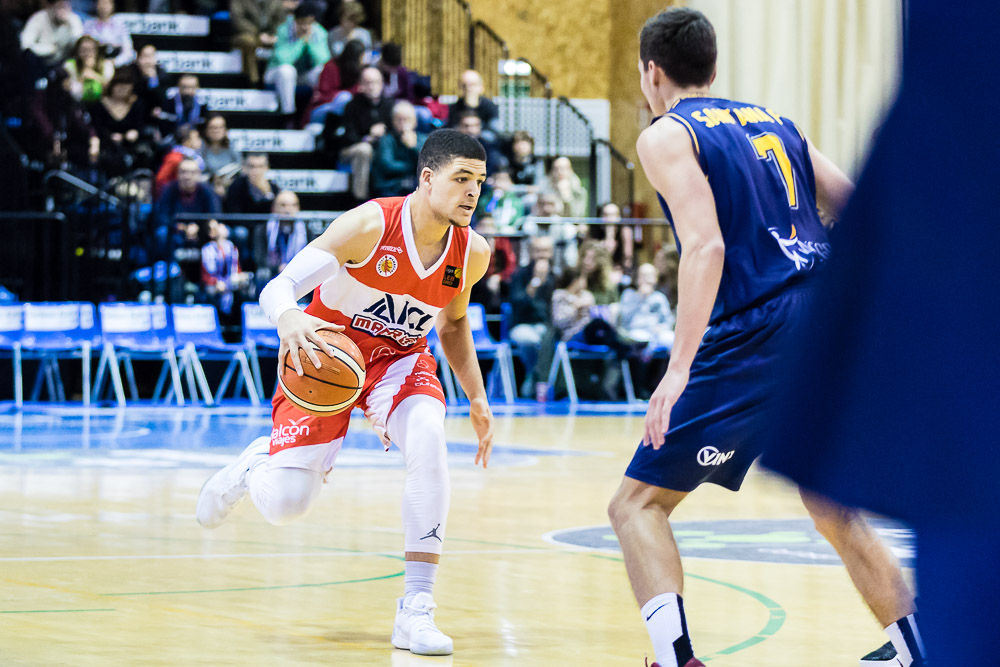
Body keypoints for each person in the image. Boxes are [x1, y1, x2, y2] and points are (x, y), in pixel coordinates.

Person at [605, 9, 925, 667]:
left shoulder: (667, 134)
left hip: (755, 328)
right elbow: (859, 205)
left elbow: (706, 247)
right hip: (822, 316)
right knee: (831, 501)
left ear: (651, 72)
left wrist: (676, 370)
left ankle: (675, 659)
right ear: (715, 68)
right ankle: (921, 649)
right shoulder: (775, 121)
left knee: (636, 504)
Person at [195, 129, 495, 657]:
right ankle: (255, 465)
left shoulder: (471, 252)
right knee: (288, 504)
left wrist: (475, 395)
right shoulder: (369, 224)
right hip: (326, 357)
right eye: (461, 179)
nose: (472, 192)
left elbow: (451, 326)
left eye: (479, 181)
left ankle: (416, 610)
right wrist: (289, 318)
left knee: (428, 441)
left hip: (400, 361)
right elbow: (278, 288)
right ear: (428, 179)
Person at [508, 235, 556, 400]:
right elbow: (517, 304)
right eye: (538, 251)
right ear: (530, 252)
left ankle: (535, 379)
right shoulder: (519, 275)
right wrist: (535, 282)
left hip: (547, 327)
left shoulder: (556, 277)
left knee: (547, 337)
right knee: (529, 339)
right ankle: (536, 377)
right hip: (522, 324)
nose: (542, 255)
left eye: (546, 251)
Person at [336, 65, 393, 201]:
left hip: (382, 149)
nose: (372, 86)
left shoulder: (390, 105)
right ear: (360, 85)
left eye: (375, 82)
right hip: (354, 148)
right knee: (364, 150)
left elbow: (394, 133)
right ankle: (360, 200)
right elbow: (348, 136)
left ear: (382, 84)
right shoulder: (352, 105)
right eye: (367, 82)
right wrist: (369, 136)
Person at [264, 1, 330, 118]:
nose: (305, 27)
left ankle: (316, 111)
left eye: (308, 23)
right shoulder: (283, 30)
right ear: (295, 20)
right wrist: (300, 42)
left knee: (321, 70)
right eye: (301, 23)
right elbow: (283, 59)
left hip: (303, 76)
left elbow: (324, 60)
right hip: (276, 74)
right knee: (287, 70)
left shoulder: (319, 32)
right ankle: (288, 114)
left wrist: (310, 43)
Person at [371, 100, 425, 197]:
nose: (403, 124)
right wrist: (413, 167)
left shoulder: (423, 139)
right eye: (399, 119)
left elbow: (427, 164)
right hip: (391, 186)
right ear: (393, 121)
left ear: (415, 121)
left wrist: (413, 147)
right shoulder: (387, 139)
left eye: (407, 119)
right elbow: (388, 165)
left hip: (416, 187)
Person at [230, 0, 284, 86]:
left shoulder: (276, 2)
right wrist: (258, 34)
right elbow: (238, 19)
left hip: (270, 35)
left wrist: (274, 35)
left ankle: (274, 79)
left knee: (284, 40)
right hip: (247, 34)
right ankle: (253, 81)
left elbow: (281, 20)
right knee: (248, 41)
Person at [20, 0, 83, 65]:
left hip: (63, 63)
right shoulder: (38, 18)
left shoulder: (73, 19)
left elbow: (79, 43)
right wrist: (49, 49)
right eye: (59, 6)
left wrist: (69, 24)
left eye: (65, 6)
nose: (62, 10)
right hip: (41, 61)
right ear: (51, 6)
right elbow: (26, 45)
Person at [154, 124, 204, 198]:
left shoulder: (193, 156)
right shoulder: (175, 158)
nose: (200, 140)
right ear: (187, 142)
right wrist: (168, 196)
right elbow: (160, 180)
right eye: (197, 138)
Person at [64, 34, 114, 103]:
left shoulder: (106, 64)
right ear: (77, 52)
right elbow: (71, 89)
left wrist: (94, 76)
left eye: (91, 49)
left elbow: (112, 89)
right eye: (83, 50)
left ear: (97, 50)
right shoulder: (70, 65)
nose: (87, 53)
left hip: (102, 104)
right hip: (79, 104)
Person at [83, 0, 133, 67]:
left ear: (112, 5)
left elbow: (128, 49)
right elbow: (84, 47)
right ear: (96, 5)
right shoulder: (88, 24)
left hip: (116, 63)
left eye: (106, 3)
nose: (103, 6)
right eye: (101, 3)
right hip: (94, 63)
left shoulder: (120, 24)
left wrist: (115, 62)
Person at [446, 69, 498, 134]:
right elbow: (450, 127)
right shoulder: (455, 107)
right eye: (464, 85)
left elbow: (495, 128)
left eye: (473, 84)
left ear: (481, 87)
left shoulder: (489, 106)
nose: (468, 88)